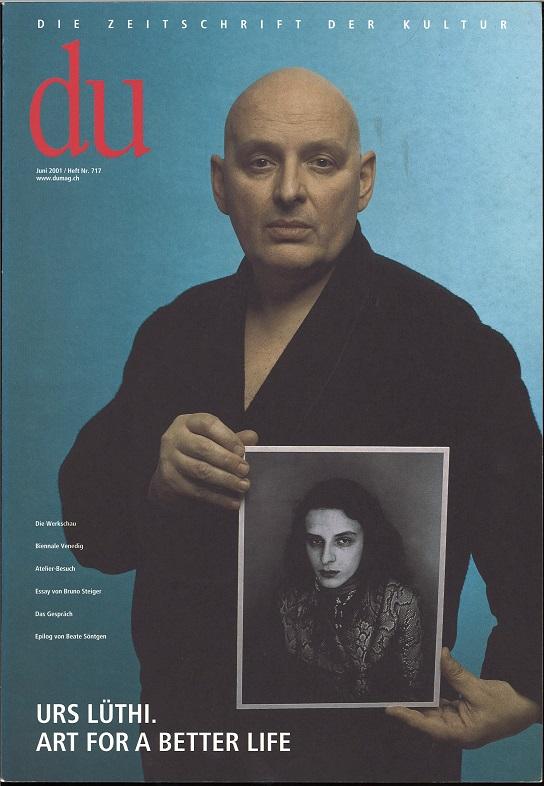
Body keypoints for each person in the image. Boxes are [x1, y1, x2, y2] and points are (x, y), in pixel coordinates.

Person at [59, 67, 541, 782]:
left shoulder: (448, 343)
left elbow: (533, 539)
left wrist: (528, 687)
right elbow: (85, 534)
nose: (289, 190)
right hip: (192, 752)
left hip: (374, 762)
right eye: (260, 162)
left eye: (321, 161)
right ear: (221, 184)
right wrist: (153, 481)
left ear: (363, 180)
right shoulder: (175, 334)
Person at [277, 478, 425, 704]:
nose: (326, 558)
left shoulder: (400, 602)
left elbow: (414, 694)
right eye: (316, 541)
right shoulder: (289, 600)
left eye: (344, 541)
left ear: (368, 542)